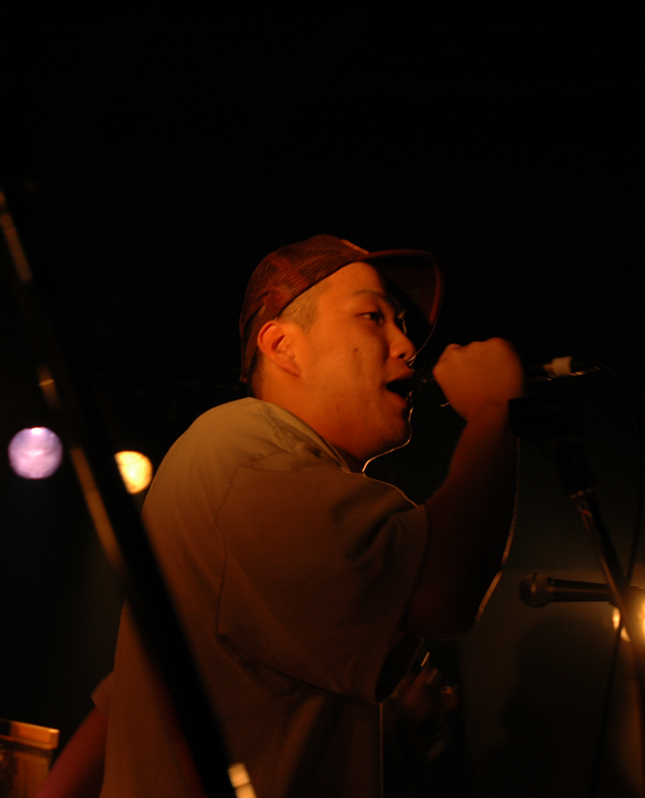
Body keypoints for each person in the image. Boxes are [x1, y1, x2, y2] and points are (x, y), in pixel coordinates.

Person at [39, 235, 523, 797]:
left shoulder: (260, 467)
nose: (407, 345)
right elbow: (441, 592)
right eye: (373, 316)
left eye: (402, 323)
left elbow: (131, 702)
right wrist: (493, 411)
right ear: (282, 345)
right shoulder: (247, 451)